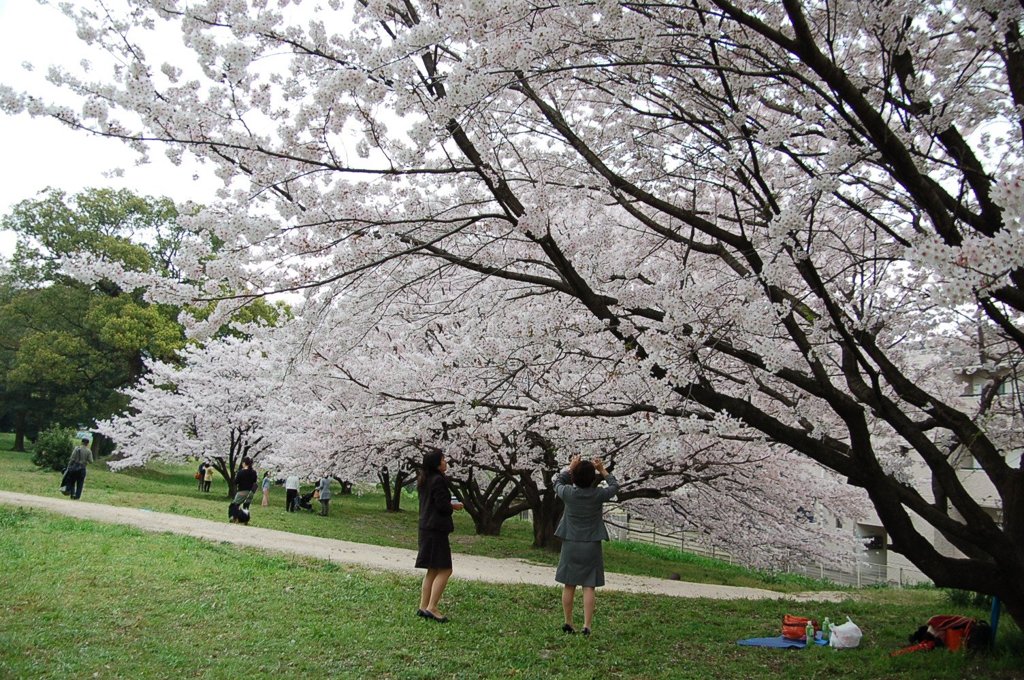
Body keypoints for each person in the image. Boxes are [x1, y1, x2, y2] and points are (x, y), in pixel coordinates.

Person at [553, 454, 619, 636]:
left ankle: (568, 622)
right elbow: (614, 487)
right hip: (591, 543)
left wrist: (570, 467)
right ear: (592, 478)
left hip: (570, 543)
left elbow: (557, 482)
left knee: (569, 584)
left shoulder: (568, 493)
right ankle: (587, 626)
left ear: (574, 477)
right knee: (589, 585)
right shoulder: (598, 495)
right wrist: (602, 470)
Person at [415, 451, 462, 623]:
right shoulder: (438, 480)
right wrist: (453, 507)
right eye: (442, 459)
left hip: (426, 527)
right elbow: (442, 506)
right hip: (436, 530)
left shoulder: (424, 479)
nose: (445, 461)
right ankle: (432, 607)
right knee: (445, 569)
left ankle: (423, 606)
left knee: (432, 569)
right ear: (436, 464)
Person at [228, 457, 259, 524]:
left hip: (242, 491)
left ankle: (234, 518)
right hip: (250, 492)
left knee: (234, 505)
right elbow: (255, 481)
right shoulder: (254, 472)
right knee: (246, 507)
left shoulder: (241, 472)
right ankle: (245, 520)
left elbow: (236, 482)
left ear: (244, 463)